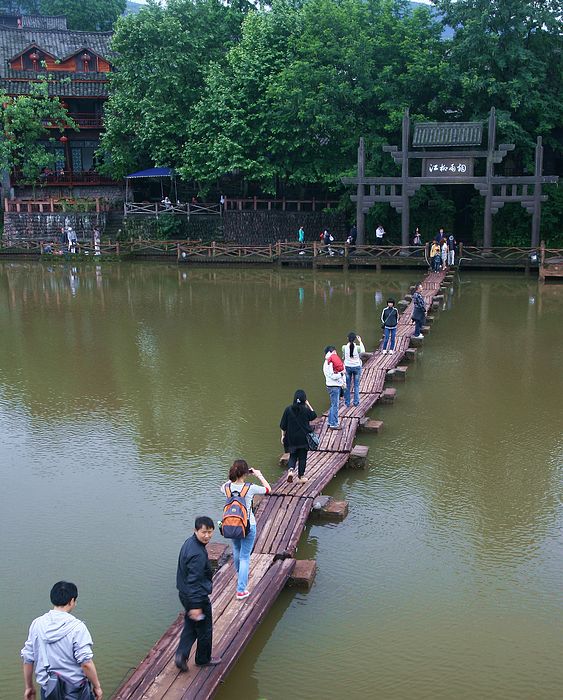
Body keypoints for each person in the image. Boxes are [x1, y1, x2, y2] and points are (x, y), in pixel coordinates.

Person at [21, 581, 103, 700]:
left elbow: (28, 658)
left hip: (49, 691)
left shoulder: (37, 624)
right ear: (71, 601)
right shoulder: (77, 628)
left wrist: (29, 687)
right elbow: (86, 663)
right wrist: (97, 687)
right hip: (76, 693)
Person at [175, 516, 221, 672]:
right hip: (197, 598)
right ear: (195, 530)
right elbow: (194, 581)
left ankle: (181, 655)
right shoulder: (198, 555)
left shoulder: (189, 543)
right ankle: (203, 659)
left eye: (210, 532)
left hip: (185, 594)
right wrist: (196, 606)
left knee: (190, 625)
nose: (207, 535)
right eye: (203, 532)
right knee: (205, 629)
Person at [221, 460, 271, 598]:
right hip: (248, 525)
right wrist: (259, 475)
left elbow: (227, 483)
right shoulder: (250, 487)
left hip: (231, 524)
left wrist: (236, 476)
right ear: (245, 473)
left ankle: (240, 575)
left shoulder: (225, 487)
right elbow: (268, 489)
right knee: (245, 557)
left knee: (237, 550)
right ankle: (241, 590)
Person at [280, 390, 317, 483]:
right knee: (302, 457)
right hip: (303, 438)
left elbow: (283, 425)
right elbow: (314, 415)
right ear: (304, 399)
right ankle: (301, 477)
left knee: (293, 455)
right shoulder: (305, 410)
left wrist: (282, 436)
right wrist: (308, 404)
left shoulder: (288, 409)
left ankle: (291, 470)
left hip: (291, 438)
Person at [324, 345, 345, 429]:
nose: (336, 353)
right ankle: (334, 424)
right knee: (335, 405)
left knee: (333, 405)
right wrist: (342, 374)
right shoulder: (329, 363)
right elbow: (333, 375)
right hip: (333, 386)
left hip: (333, 385)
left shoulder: (329, 362)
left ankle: (330, 421)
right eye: (334, 352)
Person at [342, 332, 365, 407]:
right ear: (355, 339)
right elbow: (363, 351)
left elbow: (343, 357)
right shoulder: (357, 347)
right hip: (356, 367)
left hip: (348, 367)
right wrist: (360, 341)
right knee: (356, 385)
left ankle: (347, 403)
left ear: (347, 338)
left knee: (347, 385)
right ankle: (356, 403)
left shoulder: (344, 347)